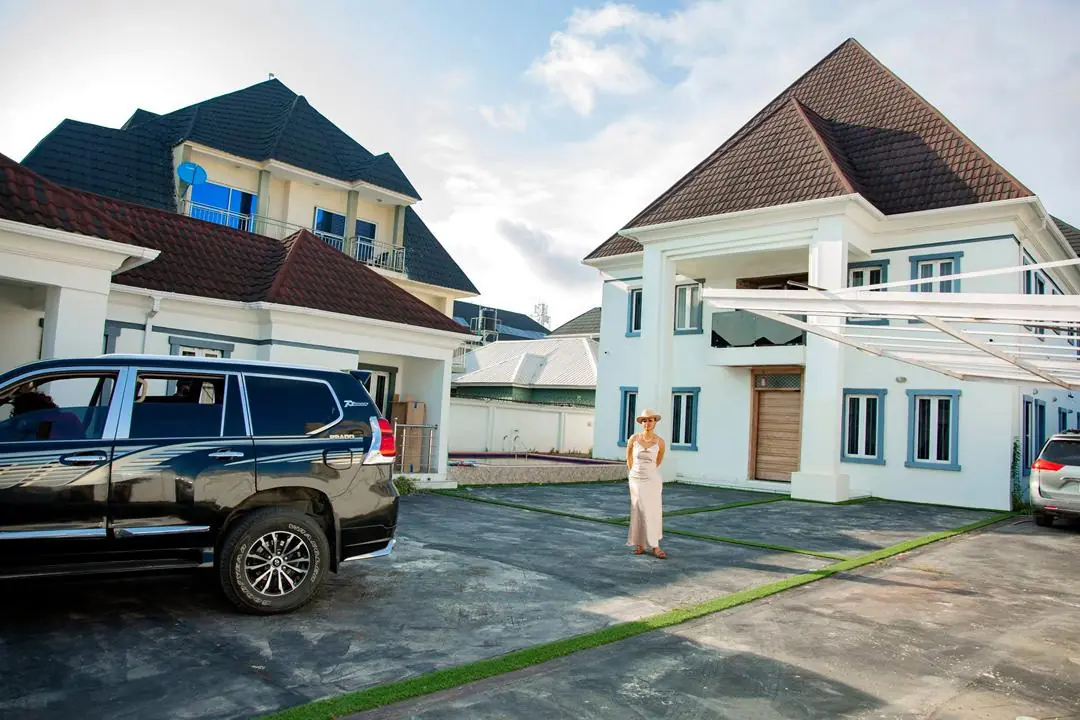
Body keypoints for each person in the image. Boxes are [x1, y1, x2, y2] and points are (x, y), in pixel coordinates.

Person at [625, 408, 666, 559]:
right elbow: (629, 458)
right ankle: (640, 543)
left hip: (652, 480)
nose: (647, 423)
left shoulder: (660, 442)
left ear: (654, 422)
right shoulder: (634, 439)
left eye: (650, 420)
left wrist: (649, 472)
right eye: (644, 420)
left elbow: (658, 461)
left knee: (652, 511)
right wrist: (633, 473)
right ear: (641, 423)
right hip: (636, 479)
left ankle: (655, 545)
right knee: (639, 509)